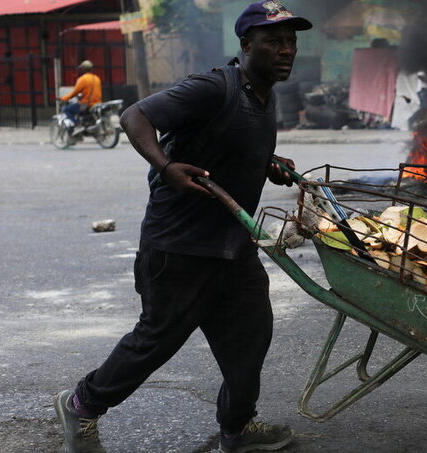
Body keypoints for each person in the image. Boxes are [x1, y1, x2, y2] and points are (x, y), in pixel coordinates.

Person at [53, 2, 311, 452]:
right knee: (157, 340)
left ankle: (237, 427)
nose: (285, 50)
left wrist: (267, 162)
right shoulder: (214, 87)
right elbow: (135, 117)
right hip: (180, 247)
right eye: (274, 41)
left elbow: (226, 141)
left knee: (251, 337)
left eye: (290, 41)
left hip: (234, 245)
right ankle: (81, 404)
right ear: (247, 45)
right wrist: (166, 165)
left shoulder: (263, 94)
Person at [59, 60, 102, 129]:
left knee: (66, 109)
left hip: (87, 104)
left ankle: (76, 125)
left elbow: (74, 93)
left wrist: (64, 98)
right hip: (97, 103)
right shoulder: (97, 78)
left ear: (83, 69)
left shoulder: (83, 79)